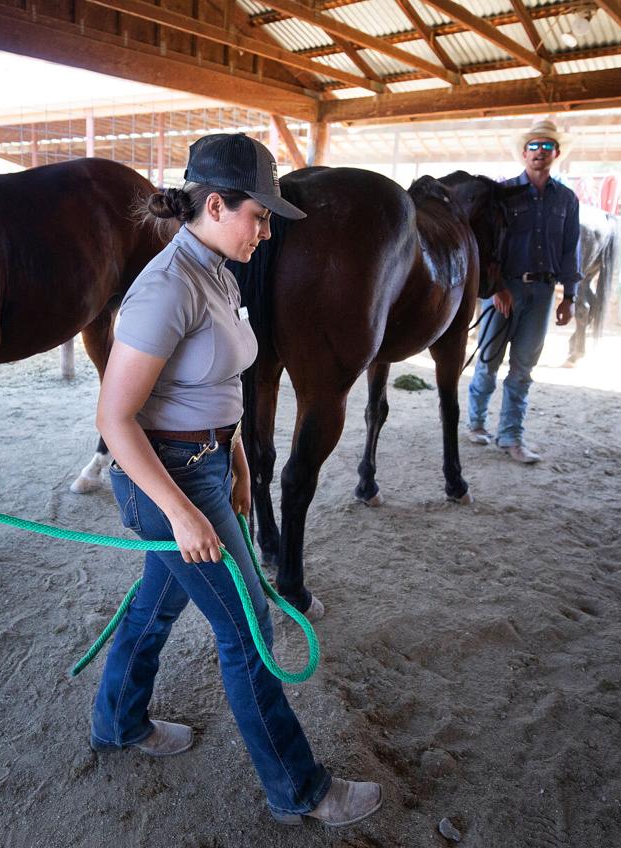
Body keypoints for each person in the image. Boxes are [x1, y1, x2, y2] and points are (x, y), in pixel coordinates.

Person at [88, 133, 384, 827]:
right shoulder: (166, 288)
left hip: (210, 467)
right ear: (215, 204)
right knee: (251, 629)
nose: (267, 227)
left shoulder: (219, 269)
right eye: (259, 213)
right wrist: (184, 512)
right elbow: (115, 417)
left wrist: (241, 463)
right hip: (170, 477)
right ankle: (299, 789)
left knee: (158, 605)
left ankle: (118, 721)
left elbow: (221, 382)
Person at [467, 119, 581, 464]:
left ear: (556, 154)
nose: (540, 153)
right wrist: (496, 286)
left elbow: (569, 248)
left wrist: (570, 296)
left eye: (547, 147)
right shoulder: (502, 194)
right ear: (523, 153)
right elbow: (486, 244)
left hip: (543, 291)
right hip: (505, 289)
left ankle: (511, 437)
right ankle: (476, 423)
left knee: (522, 368)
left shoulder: (566, 199)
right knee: (488, 360)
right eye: (534, 147)